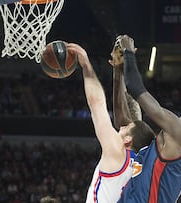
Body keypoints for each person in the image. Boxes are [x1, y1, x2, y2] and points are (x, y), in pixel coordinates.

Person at [114, 35, 181, 203]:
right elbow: (124, 120)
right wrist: (118, 71)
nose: (176, 118)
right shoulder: (158, 149)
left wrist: (129, 52)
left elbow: (136, 88)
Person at [66, 42, 155, 203]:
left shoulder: (117, 152)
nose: (122, 126)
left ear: (128, 140)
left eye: (126, 127)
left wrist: (86, 64)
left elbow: (97, 104)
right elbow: (133, 118)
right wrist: (119, 71)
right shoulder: (144, 166)